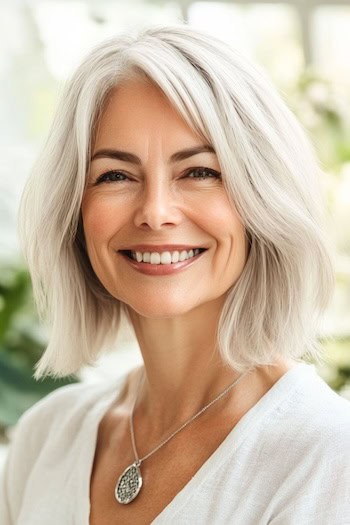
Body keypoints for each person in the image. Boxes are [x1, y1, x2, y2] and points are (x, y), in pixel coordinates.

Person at [1, 23, 349, 525]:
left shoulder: (328, 460)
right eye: (115, 175)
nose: (156, 211)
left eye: (199, 171)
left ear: (262, 199)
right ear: (75, 212)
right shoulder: (45, 438)